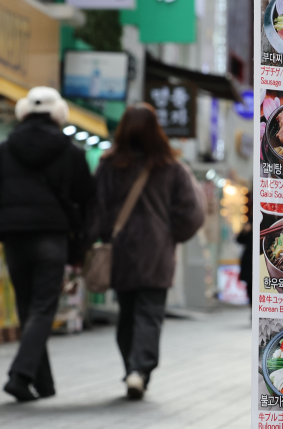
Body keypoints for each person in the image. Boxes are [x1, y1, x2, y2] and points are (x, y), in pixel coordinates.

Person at [0, 87, 95, 402]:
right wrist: (82, 242)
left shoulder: (3, 149)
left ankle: (43, 384)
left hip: (13, 235)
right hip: (52, 235)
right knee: (43, 306)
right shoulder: (71, 153)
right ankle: (20, 375)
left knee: (29, 307)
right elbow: (87, 200)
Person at [88, 103, 205, 400]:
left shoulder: (109, 166)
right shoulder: (171, 167)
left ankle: (132, 367)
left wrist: (97, 239)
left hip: (122, 252)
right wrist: (170, 236)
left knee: (127, 313)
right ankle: (140, 370)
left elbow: (95, 210)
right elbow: (192, 213)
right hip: (157, 253)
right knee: (150, 314)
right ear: (157, 131)